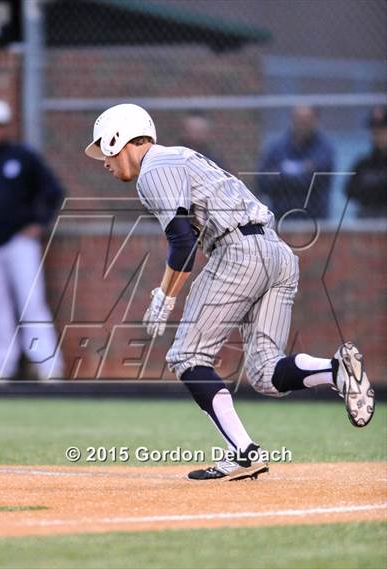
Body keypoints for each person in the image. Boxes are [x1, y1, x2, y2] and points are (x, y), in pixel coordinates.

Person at [85, 104, 374, 481]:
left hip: (237, 251)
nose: (103, 160)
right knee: (266, 374)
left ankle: (243, 452)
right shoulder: (179, 157)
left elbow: (182, 241)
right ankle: (336, 371)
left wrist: (165, 294)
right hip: (277, 252)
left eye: (104, 149)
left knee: (187, 355)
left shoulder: (153, 169)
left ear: (119, 138)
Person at [0, 100, 65, 383]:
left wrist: (39, 223)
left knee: (31, 302)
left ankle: (48, 368)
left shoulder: (24, 157)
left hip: (20, 243)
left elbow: (53, 190)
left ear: (6, 126)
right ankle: (1, 369)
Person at [257, 106, 334, 220]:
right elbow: (262, 181)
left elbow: (315, 179)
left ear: (315, 121)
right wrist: (304, 170)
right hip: (281, 218)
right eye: (299, 119)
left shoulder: (324, 148)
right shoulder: (277, 148)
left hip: (315, 220)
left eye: (306, 120)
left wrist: (281, 175)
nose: (302, 124)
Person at [345, 106, 387, 217]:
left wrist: (371, 187)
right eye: (374, 128)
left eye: (382, 128)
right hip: (367, 219)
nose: (377, 132)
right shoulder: (363, 163)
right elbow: (349, 190)